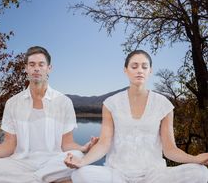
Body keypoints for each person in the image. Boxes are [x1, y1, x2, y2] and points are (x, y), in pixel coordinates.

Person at [65, 50, 208, 183]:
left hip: (154, 175)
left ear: (150, 71)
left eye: (144, 67)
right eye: (134, 66)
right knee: (80, 174)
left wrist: (194, 159)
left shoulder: (163, 104)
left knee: (200, 172)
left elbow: (170, 150)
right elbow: (103, 144)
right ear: (125, 70)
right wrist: (82, 161)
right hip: (117, 174)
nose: (140, 70)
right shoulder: (110, 104)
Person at [0, 46, 97, 183]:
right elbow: (9, 145)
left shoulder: (64, 102)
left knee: (77, 155)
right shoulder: (12, 103)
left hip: (53, 162)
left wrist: (83, 148)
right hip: (20, 163)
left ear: (49, 68)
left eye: (41, 64)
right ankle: (45, 179)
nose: (36, 68)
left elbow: (67, 144)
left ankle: (35, 179)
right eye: (32, 64)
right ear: (26, 68)